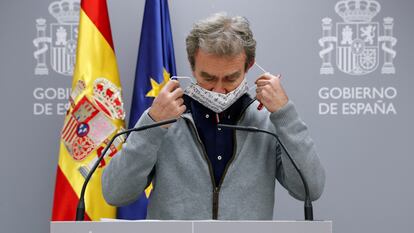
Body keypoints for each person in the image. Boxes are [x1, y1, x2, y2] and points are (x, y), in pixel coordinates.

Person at [102, 12, 325, 220]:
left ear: (248, 66)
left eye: (230, 78)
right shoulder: (165, 117)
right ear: (192, 66)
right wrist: (152, 125)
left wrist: (284, 113)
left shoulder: (267, 120)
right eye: (207, 77)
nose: (218, 89)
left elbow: (310, 189)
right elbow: (115, 193)